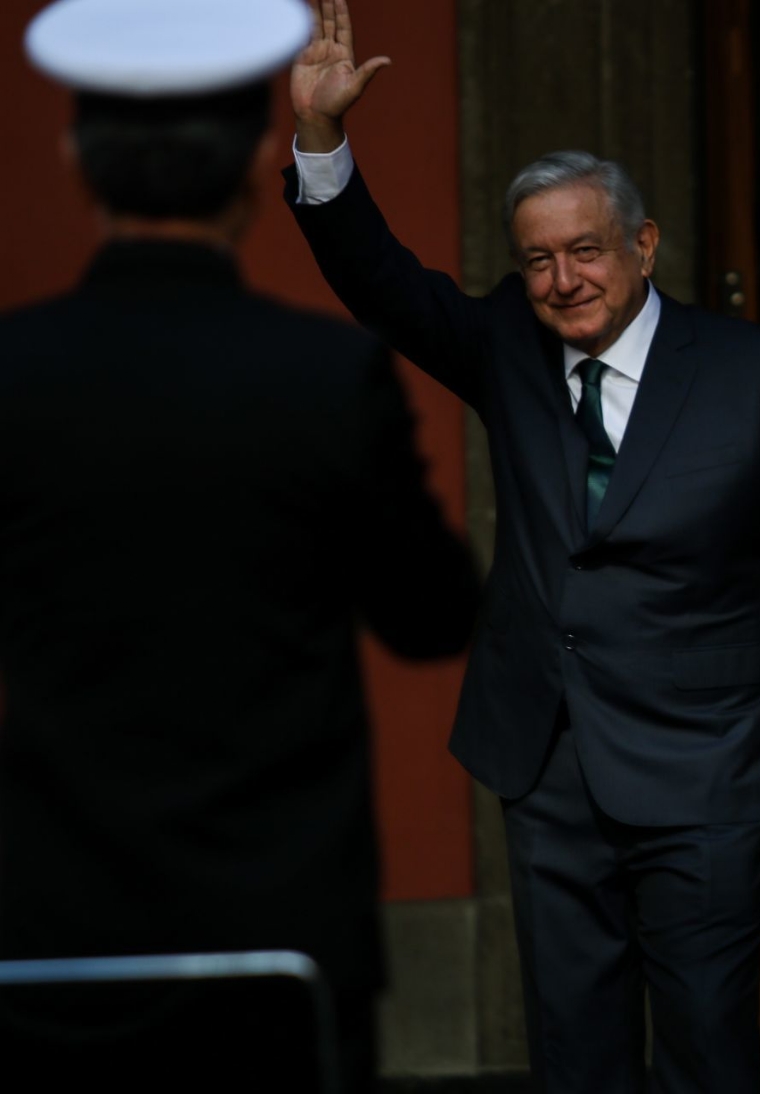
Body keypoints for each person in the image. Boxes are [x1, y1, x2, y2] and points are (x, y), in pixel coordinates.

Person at [281, 2, 760, 1090]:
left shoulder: (754, 371)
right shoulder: (506, 347)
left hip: (706, 769)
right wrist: (322, 139)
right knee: (575, 1058)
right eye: (537, 261)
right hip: (549, 759)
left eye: (584, 251)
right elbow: (380, 283)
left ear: (644, 243)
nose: (562, 281)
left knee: (709, 1053)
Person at [0, 1, 481, 1091]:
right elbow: (432, 614)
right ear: (258, 153)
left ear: (79, 160)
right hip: (279, 936)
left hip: (56, 925)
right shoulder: (321, 377)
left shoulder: (13, 375)